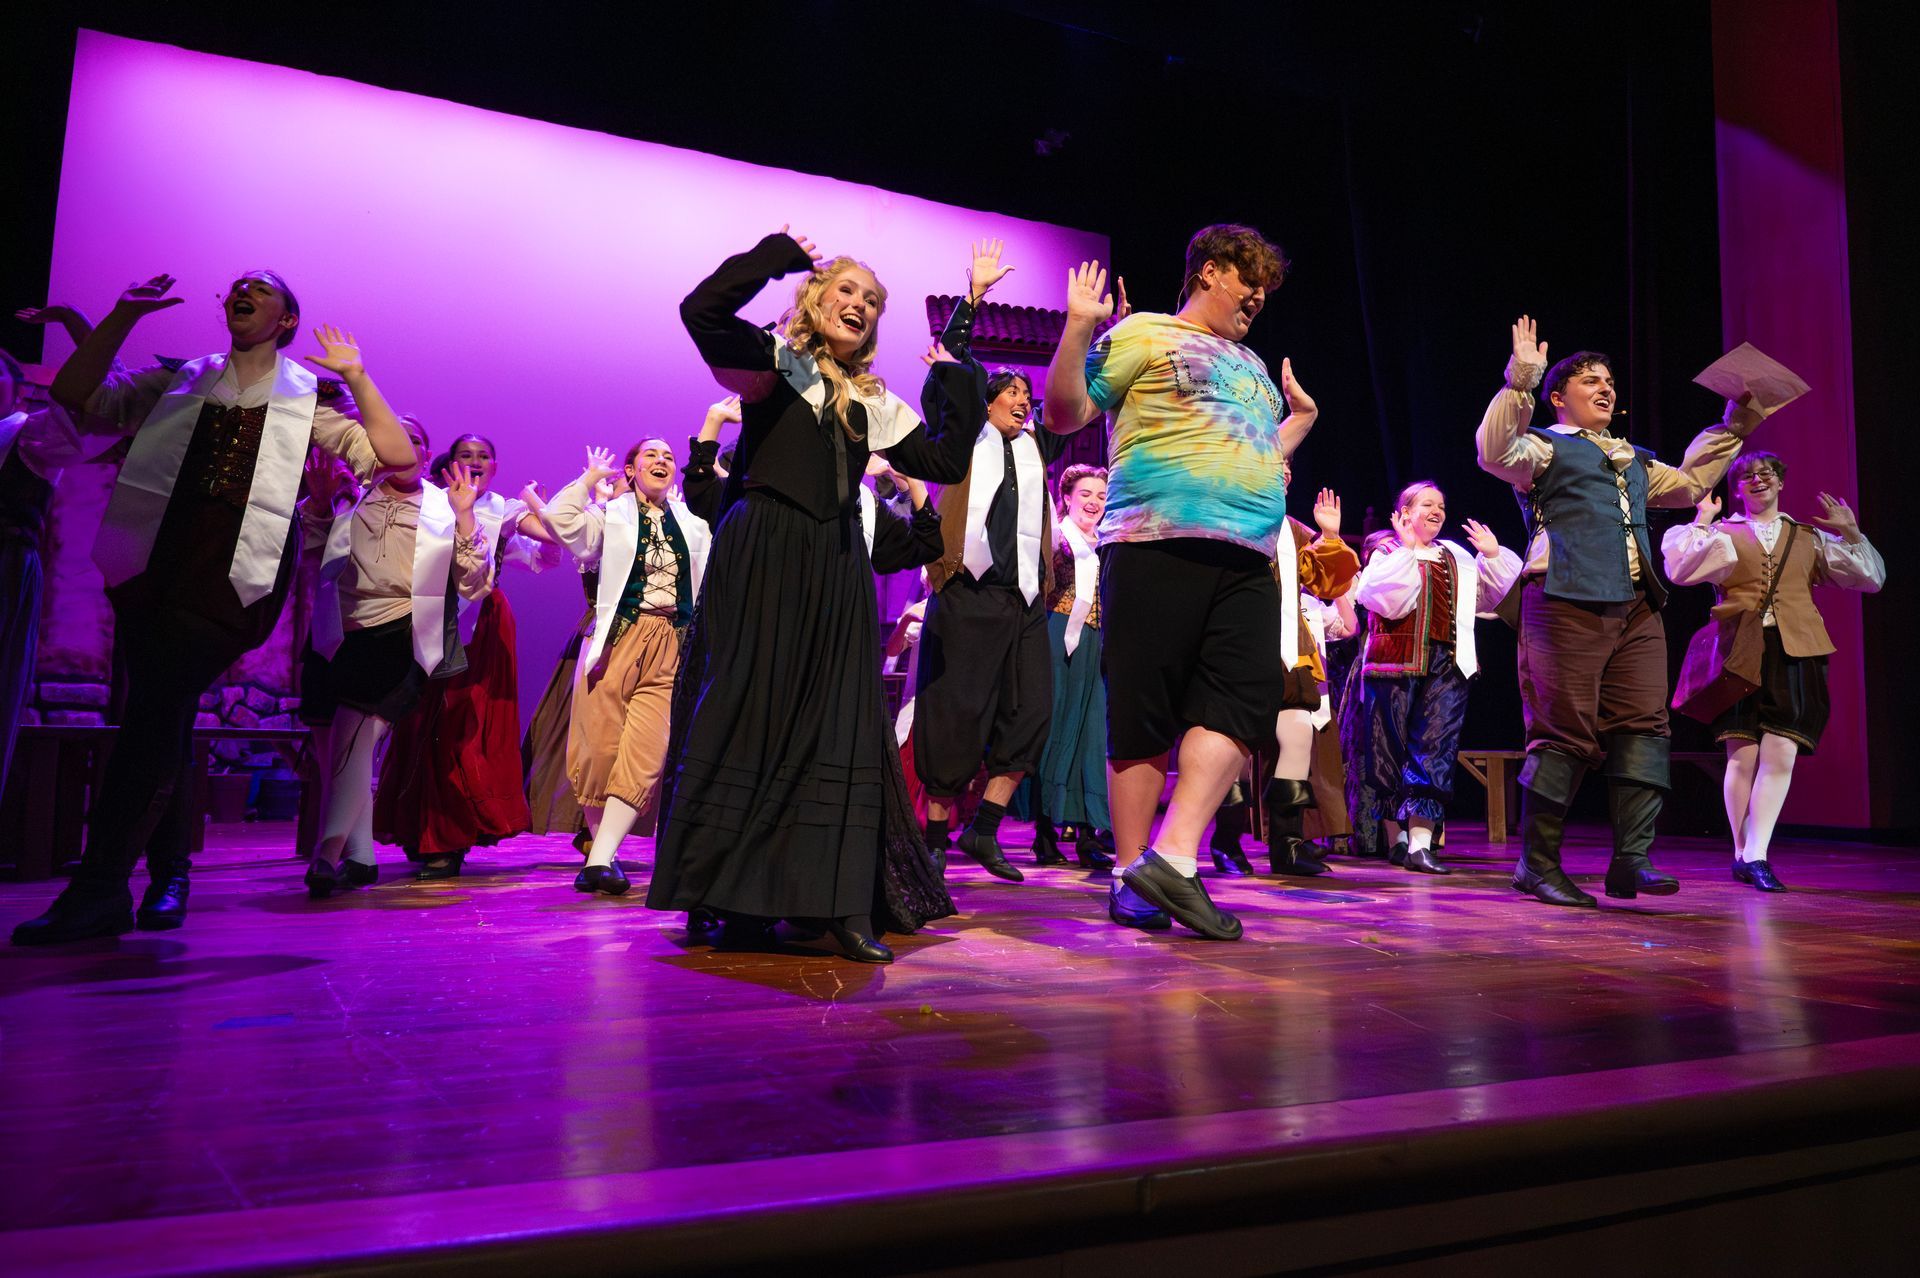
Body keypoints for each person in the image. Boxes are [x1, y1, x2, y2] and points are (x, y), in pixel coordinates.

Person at [12, 271, 418, 944]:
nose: (241, 292)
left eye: (259, 287)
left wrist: (358, 376)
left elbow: (396, 458)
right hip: (154, 563)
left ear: (286, 319)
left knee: (156, 709)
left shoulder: (306, 398)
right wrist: (122, 315)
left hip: (231, 575)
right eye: (235, 286)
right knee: (158, 713)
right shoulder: (181, 379)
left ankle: (102, 886)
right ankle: (167, 875)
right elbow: (78, 394)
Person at [649, 227, 982, 964]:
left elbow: (944, 459)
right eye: (847, 290)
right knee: (752, 713)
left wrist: (955, 365)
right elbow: (701, 313)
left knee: (838, 724)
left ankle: (837, 903)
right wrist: (775, 257)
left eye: (873, 300)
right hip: (765, 548)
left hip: (835, 563)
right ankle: (732, 899)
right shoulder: (779, 363)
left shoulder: (871, 400)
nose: (860, 304)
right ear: (816, 299)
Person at [1044, 224, 1317, 939]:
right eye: (1249, 280)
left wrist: (1299, 423)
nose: (1259, 297)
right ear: (1210, 271)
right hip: (1154, 541)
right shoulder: (1144, 333)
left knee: (1247, 698)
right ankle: (1131, 876)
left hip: (1248, 553)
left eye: (1267, 288)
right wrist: (1079, 328)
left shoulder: (1252, 364)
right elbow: (1065, 414)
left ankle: (1170, 859)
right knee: (1144, 715)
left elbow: (1254, 449)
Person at [1476, 315, 1761, 908]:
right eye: (1590, 381)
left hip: (1636, 606)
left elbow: (1688, 485)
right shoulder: (1541, 448)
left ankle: (1632, 859)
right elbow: (1494, 451)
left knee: (1644, 726)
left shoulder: (1633, 460)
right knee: (1563, 729)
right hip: (1564, 599)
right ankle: (1536, 864)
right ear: (1559, 397)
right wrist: (1520, 381)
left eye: (1609, 381)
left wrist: (1734, 425)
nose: (1606, 388)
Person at [1662, 453, 1884, 890]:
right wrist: (1703, 520)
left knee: (1782, 752)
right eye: (1746, 476)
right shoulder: (1723, 534)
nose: (1757, 480)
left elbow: (1870, 579)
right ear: (1737, 488)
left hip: (1797, 649)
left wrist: (1851, 532)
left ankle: (1756, 854)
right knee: (1742, 754)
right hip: (1740, 650)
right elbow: (1680, 570)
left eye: (1765, 474)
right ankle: (1743, 852)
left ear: (1780, 483)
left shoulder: (1808, 538)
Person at [299, 416, 492, 896]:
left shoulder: (444, 505)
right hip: (336, 631)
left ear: (424, 456)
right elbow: (313, 557)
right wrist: (320, 504)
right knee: (338, 747)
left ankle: (327, 853)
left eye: (413, 442)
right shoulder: (351, 498)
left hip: (398, 632)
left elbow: (474, 582)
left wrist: (466, 516)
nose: (399, 447)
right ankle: (360, 858)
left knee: (352, 736)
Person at [371, 432, 560, 877]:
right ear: (448, 464)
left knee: (464, 725)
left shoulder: (502, 509)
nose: (475, 462)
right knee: (420, 722)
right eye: (465, 455)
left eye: (484, 456)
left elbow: (551, 545)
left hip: (481, 628)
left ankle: (450, 836)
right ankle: (421, 827)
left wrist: (538, 503)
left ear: (495, 466)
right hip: (425, 617)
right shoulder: (428, 501)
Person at [915, 334, 1066, 884]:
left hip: (1023, 598)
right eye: (1013, 393)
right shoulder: (961, 440)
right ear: (986, 401)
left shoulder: (1037, 447)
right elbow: (947, 388)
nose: (1024, 401)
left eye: (1028, 394)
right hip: (966, 591)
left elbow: (1077, 395)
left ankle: (984, 828)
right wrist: (971, 304)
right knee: (955, 715)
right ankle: (935, 841)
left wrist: (1101, 333)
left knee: (1033, 712)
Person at [544, 436, 713, 894]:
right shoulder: (611, 515)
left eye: (668, 456)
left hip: (671, 642)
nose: (662, 461)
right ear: (632, 469)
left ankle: (600, 858)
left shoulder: (692, 525)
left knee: (647, 752)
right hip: (618, 638)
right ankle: (602, 856)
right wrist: (589, 480)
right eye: (650, 455)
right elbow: (560, 521)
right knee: (598, 750)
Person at [1348, 481, 1521, 875]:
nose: (1437, 511)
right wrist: (1408, 550)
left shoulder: (1455, 556)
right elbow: (1388, 601)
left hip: (1447, 666)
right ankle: (1397, 840)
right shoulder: (1386, 552)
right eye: (1427, 504)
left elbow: (1489, 601)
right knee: (1388, 753)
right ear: (1404, 513)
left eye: (1441, 505)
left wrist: (1492, 556)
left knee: (1435, 751)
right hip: (1393, 665)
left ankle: (1421, 845)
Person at [1209, 482, 1358, 878]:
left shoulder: (1291, 530)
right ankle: (1226, 841)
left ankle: (1287, 845)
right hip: (1237, 648)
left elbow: (1328, 584)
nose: (1283, 473)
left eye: (1287, 468)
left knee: (1298, 736)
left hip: (1290, 650)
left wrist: (1329, 536)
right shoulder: (1223, 515)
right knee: (1235, 749)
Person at [1025, 464, 1118, 870]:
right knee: (1057, 728)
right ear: (1066, 497)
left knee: (1093, 735)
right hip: (1056, 637)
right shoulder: (1059, 537)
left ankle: (1088, 834)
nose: (1094, 502)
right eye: (1085, 494)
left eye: (1101, 495)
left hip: (1097, 644)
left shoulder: (1110, 542)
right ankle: (1045, 830)